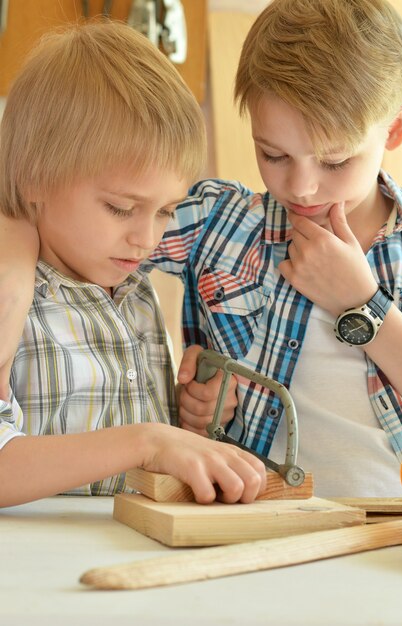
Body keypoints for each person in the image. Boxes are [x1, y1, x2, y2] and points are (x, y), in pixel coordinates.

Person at [1, 0, 402, 497]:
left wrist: (363, 305)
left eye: (335, 161)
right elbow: (65, 212)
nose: (302, 188)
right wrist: (12, 264)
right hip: (257, 526)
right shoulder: (219, 223)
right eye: (274, 155)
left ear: (394, 128)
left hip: (396, 532)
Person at [0, 20, 267, 508]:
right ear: (35, 175)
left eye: (165, 211)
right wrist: (148, 442)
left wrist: (191, 427)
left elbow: (149, 454)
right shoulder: (12, 293)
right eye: (121, 207)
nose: (146, 240)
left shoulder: (136, 294)